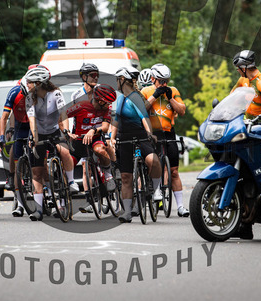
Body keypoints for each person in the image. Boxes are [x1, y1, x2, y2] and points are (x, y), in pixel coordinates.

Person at [24, 65, 77, 221]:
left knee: (64, 151)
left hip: (54, 131)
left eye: (30, 82)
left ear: (39, 83)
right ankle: (39, 209)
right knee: (37, 172)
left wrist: (66, 131)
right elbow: (32, 120)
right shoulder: (29, 98)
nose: (27, 84)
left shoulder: (56, 94)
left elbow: (63, 113)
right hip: (39, 133)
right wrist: (35, 138)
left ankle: (71, 182)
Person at [110, 67, 161, 223]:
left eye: (117, 79)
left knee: (153, 161)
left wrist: (150, 133)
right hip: (123, 139)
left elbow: (144, 117)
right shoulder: (120, 98)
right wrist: (112, 138)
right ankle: (127, 212)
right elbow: (116, 119)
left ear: (123, 80)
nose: (116, 82)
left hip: (140, 137)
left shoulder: (136, 97)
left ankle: (153, 187)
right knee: (126, 177)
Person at [141, 63, 190, 217]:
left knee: (174, 171)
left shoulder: (173, 91)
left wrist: (170, 98)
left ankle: (180, 206)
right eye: (161, 81)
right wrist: (155, 96)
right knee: (155, 165)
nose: (164, 84)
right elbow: (141, 110)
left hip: (169, 133)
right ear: (153, 79)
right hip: (152, 134)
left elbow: (182, 111)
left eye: (166, 81)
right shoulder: (145, 91)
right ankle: (155, 190)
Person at [66, 84, 116, 213]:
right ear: (100, 101)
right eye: (108, 102)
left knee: (100, 150)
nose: (110, 105)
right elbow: (61, 116)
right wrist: (67, 132)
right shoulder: (82, 106)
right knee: (66, 166)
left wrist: (93, 130)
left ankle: (108, 175)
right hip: (78, 141)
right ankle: (62, 203)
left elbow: (105, 127)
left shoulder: (106, 108)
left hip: (95, 139)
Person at [0, 74, 31, 217]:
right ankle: (19, 201)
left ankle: (47, 192)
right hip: (20, 125)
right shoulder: (14, 92)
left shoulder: (39, 91)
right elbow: (6, 116)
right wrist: (3, 136)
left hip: (34, 125)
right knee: (15, 150)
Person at [231, 50, 261, 118]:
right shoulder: (242, 79)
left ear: (243, 68)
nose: (238, 71)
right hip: (246, 121)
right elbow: (232, 95)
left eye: (238, 68)